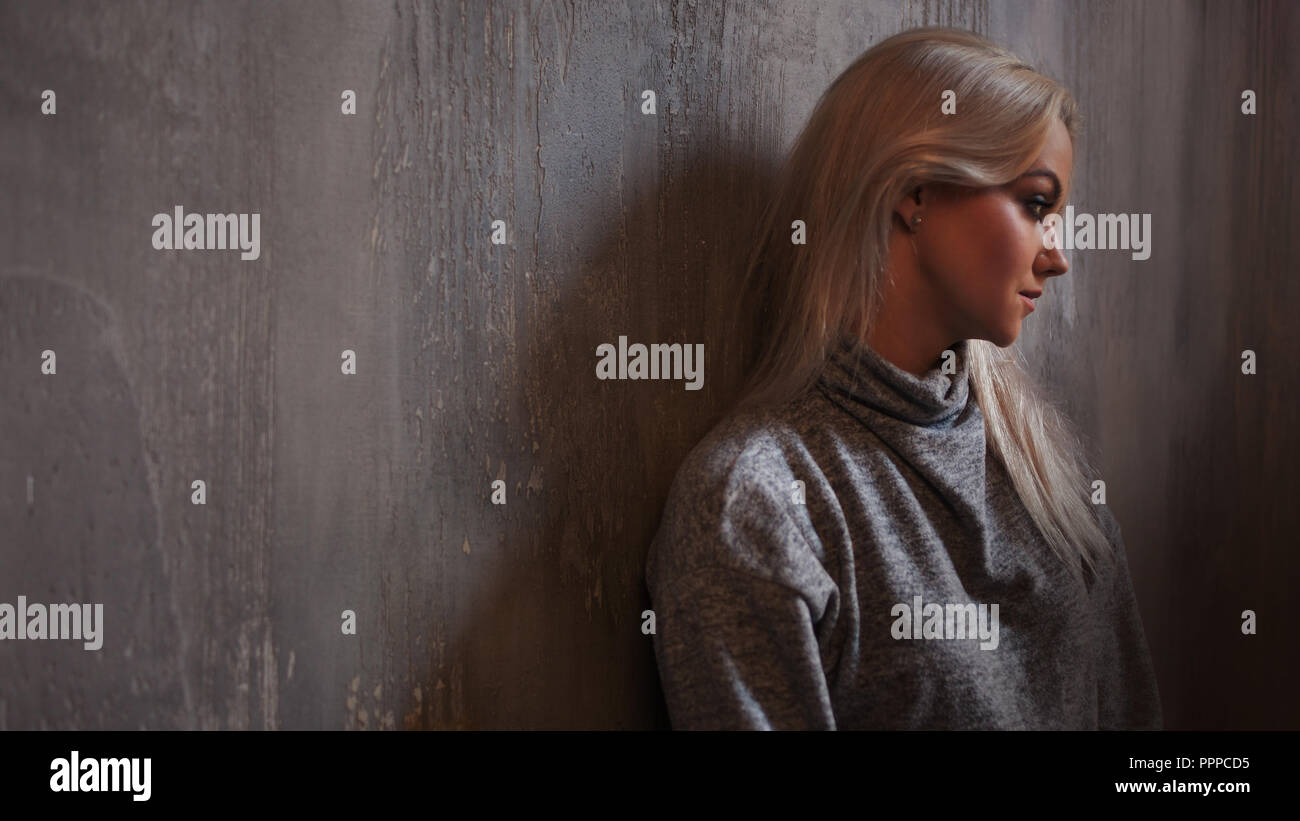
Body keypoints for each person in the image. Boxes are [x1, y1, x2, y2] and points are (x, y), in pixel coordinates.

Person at [644, 27, 1163, 730]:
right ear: (915, 192)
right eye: (1037, 205)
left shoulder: (1054, 485)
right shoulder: (758, 501)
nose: (1058, 257)